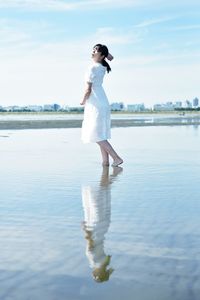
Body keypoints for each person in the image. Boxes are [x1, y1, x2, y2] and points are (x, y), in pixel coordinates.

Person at [80, 43, 124, 167]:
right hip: (102, 100)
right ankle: (105, 162)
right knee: (100, 133)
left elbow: (88, 89)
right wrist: (105, 54)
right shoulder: (102, 67)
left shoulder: (93, 68)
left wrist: (83, 100)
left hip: (95, 103)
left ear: (102, 55)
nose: (93, 52)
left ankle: (116, 157)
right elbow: (110, 57)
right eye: (92, 50)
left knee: (96, 134)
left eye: (96, 51)